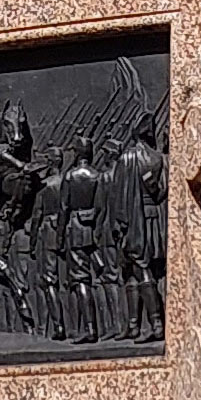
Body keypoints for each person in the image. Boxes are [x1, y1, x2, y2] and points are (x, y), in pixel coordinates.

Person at [111, 111, 167, 342]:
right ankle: (133, 325)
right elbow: (162, 191)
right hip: (152, 218)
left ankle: (156, 325)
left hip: (134, 221)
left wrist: (119, 226)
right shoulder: (158, 158)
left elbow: (120, 195)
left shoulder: (128, 158)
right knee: (132, 273)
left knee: (141, 269)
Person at [58, 135, 100, 343]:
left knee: (80, 279)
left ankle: (90, 328)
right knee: (88, 277)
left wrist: (59, 237)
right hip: (90, 229)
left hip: (74, 229)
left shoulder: (71, 176)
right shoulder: (96, 175)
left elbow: (64, 207)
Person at [29, 147, 66, 340]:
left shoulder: (45, 185)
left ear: (51, 162)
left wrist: (32, 240)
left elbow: (37, 215)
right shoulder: (67, 181)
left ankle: (58, 326)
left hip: (48, 232)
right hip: (66, 231)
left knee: (49, 280)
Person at [93, 138, 124, 339]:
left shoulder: (106, 177)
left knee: (110, 277)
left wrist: (96, 231)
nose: (103, 156)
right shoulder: (125, 176)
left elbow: (100, 208)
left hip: (108, 231)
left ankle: (116, 324)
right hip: (124, 231)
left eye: (105, 152)